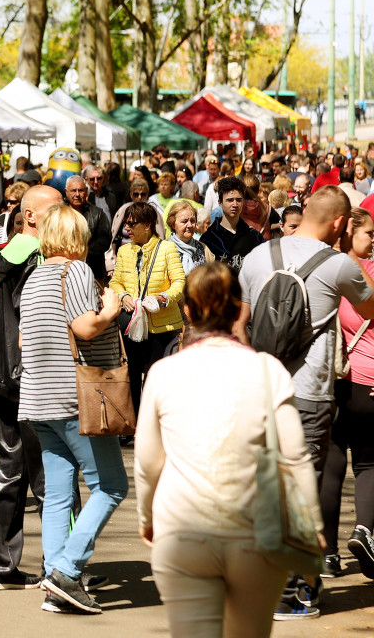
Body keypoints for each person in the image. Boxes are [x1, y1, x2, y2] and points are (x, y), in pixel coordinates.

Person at [136, 263, 324, 637]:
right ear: (240, 309)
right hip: (255, 533)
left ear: (186, 312)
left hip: (181, 530)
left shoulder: (163, 373)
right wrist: (314, 528)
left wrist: (148, 518)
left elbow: (147, 463)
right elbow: (296, 456)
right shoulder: (267, 370)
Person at [236, 186, 374, 617]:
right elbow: (370, 310)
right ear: (339, 224)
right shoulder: (338, 265)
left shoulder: (259, 256)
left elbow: (240, 322)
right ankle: (293, 591)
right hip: (311, 395)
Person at [18, 204, 127, 615]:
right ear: (78, 238)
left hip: (39, 398)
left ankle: (54, 576)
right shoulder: (76, 271)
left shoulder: (34, 277)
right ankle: (66, 570)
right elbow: (84, 328)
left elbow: (25, 340)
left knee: (59, 494)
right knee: (111, 485)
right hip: (75, 397)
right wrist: (111, 310)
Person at [0, 185, 62, 590]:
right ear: (31, 216)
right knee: (52, 474)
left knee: (8, 473)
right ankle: (61, 567)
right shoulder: (36, 257)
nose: (63, 218)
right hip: (32, 376)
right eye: (56, 210)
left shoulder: (9, 254)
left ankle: (0, 567)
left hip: (4, 376)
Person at [321, 207, 374, 580]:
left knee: (333, 463)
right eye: (369, 233)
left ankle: (327, 552)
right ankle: (364, 531)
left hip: (334, 379)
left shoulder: (327, 272)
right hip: (368, 380)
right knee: (369, 462)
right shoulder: (366, 274)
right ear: (350, 231)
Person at [109, 202, 185, 415]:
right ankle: (133, 423)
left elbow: (179, 282)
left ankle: (152, 421)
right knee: (131, 375)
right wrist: (123, 296)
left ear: (148, 225)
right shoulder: (124, 251)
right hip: (131, 323)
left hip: (161, 324)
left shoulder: (167, 248)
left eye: (132, 224)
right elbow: (115, 282)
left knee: (154, 378)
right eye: (126, 224)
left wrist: (163, 298)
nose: (127, 229)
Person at [200, 177, 265, 273]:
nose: (235, 204)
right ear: (220, 203)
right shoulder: (209, 239)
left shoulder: (254, 237)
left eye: (239, 200)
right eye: (230, 200)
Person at [66, 176, 111, 283]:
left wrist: (83, 252)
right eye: (73, 191)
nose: (77, 194)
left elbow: (105, 239)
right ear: (66, 192)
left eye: (80, 190)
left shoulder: (98, 214)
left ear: (86, 191)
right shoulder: (59, 214)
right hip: (65, 272)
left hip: (93, 273)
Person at [165, 200, 213, 277]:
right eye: (184, 221)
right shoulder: (164, 249)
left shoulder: (203, 248)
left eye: (192, 221)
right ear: (173, 224)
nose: (190, 225)